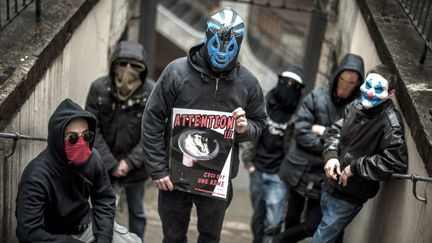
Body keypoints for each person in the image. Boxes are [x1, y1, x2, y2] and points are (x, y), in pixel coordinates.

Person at [141, 7, 267, 243]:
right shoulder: (176, 72)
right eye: (216, 45)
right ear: (207, 38)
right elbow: (153, 119)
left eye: (229, 48)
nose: (221, 54)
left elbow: (260, 122)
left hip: (216, 179)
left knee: (210, 238)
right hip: (174, 177)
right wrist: (158, 168)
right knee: (173, 237)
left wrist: (244, 128)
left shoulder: (248, 83)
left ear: (238, 46)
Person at [16, 98, 141, 243]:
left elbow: (104, 198)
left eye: (86, 135)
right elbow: (28, 233)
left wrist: (104, 238)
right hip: (52, 237)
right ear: (57, 138)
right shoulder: (36, 177)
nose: (82, 143)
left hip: (87, 227)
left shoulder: (92, 158)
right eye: (73, 138)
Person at [311, 64, 408, 243]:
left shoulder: (391, 124)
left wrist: (355, 167)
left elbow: (395, 161)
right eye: (368, 85)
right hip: (330, 185)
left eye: (378, 89)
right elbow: (334, 131)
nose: (370, 92)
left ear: (391, 94)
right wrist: (331, 156)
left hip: (349, 197)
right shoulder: (356, 105)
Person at [273, 53, 365, 243]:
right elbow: (301, 133)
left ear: (357, 84)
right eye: (343, 80)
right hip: (299, 169)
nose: (345, 86)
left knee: (312, 224)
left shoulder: (358, 108)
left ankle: (277, 240)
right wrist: (331, 143)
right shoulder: (317, 96)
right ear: (337, 76)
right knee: (291, 217)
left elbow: (352, 144)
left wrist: (323, 131)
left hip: (325, 177)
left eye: (351, 82)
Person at [85, 41, 155, 241]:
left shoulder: (151, 92)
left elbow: (153, 132)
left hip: (136, 169)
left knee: (137, 212)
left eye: (135, 66)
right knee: (100, 208)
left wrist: (129, 163)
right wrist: (111, 163)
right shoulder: (99, 88)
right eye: (123, 64)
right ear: (114, 65)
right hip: (103, 166)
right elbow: (91, 128)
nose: (128, 72)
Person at [241, 65, 305, 243]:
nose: (288, 87)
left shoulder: (300, 114)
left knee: (273, 222)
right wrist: (249, 164)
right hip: (257, 170)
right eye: (286, 82)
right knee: (258, 217)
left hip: (279, 175)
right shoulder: (264, 104)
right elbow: (251, 132)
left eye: (294, 84)